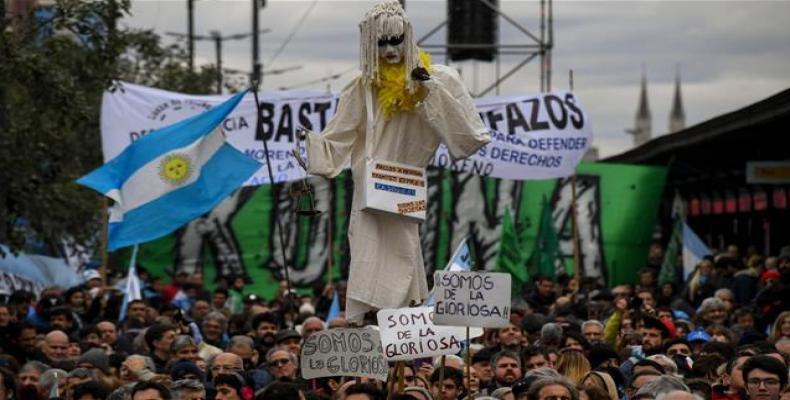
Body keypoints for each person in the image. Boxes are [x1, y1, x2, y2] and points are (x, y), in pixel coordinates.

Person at [294, 0, 489, 322]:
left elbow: (468, 136)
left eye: (395, 40)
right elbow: (337, 138)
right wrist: (308, 149)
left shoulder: (442, 78)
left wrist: (428, 88)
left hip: (407, 183)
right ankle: (374, 323)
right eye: (380, 43)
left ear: (408, 37)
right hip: (370, 188)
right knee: (368, 254)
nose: (388, 51)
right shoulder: (362, 88)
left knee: (405, 254)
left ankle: (404, 326)